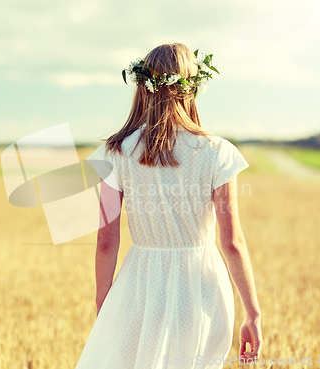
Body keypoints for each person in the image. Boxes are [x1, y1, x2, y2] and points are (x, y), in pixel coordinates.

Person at [76, 43, 262, 369]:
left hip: (139, 288)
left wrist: (103, 301)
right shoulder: (217, 151)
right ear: (193, 85)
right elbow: (231, 242)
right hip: (202, 290)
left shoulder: (116, 152)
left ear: (142, 86)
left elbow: (106, 240)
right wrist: (253, 313)